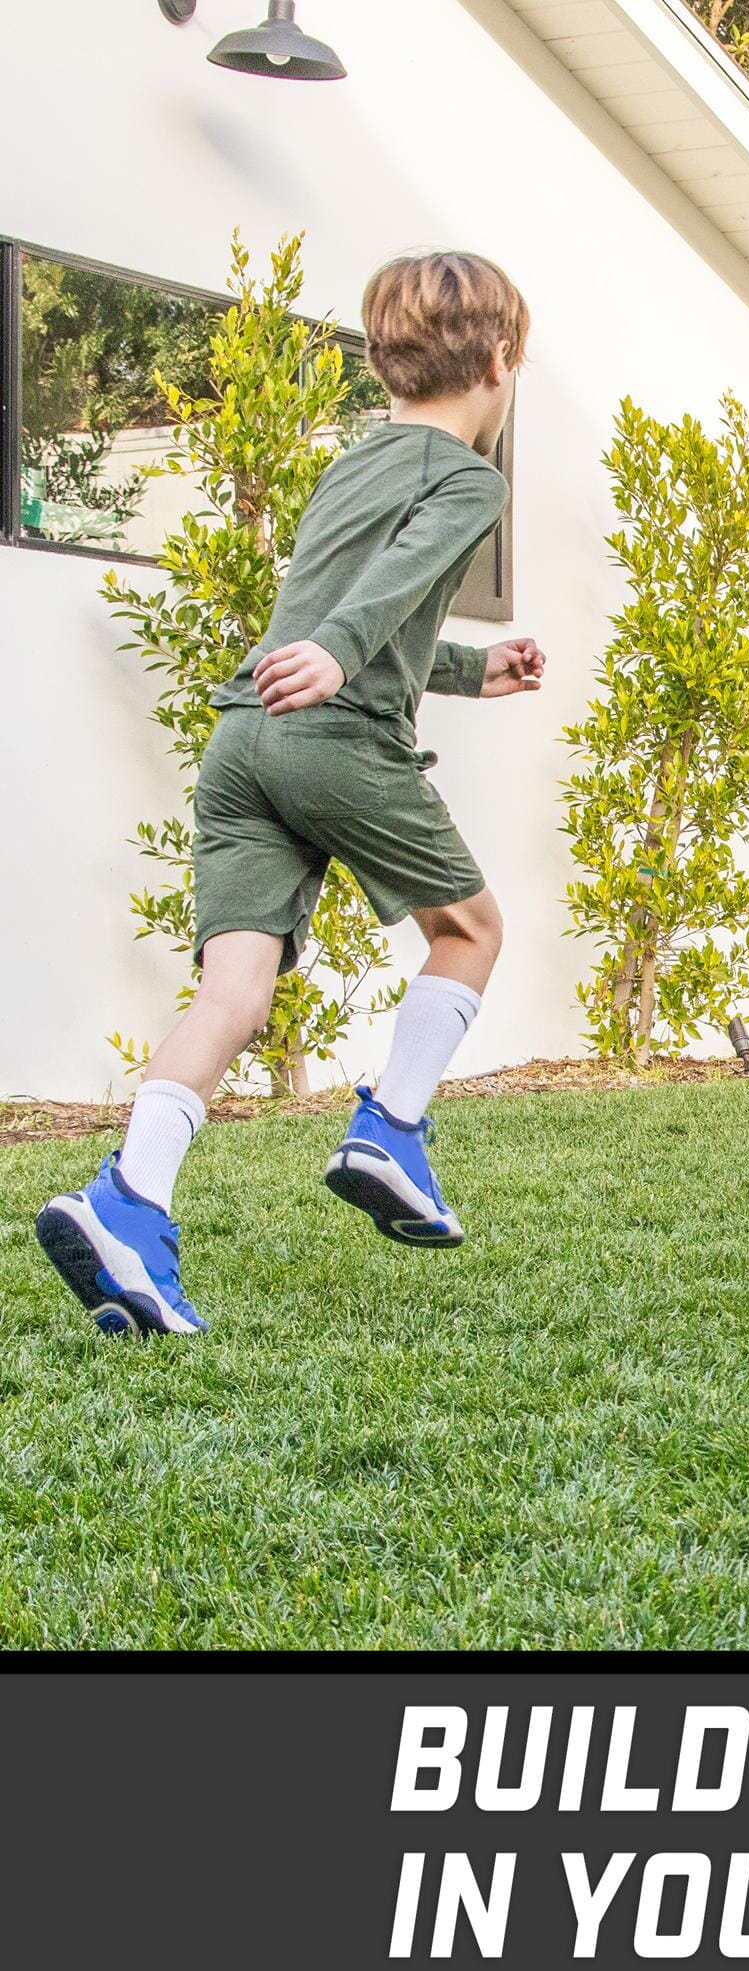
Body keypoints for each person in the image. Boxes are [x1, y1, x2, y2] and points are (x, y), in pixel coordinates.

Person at [37, 251, 545, 1334]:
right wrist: (340, 651)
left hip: (241, 745)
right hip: (330, 738)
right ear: (502, 361)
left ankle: (126, 1201)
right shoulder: (470, 478)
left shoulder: (356, 461)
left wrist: (465, 667)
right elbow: (380, 596)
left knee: (233, 998)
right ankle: (391, 1129)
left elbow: (355, 603)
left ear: (382, 364)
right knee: (471, 930)